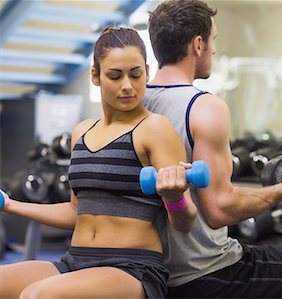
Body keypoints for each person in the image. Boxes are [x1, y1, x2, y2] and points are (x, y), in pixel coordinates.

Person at [144, 1, 282, 298]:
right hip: (205, 272)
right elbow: (219, 210)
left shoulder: (132, 106)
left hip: (151, 274)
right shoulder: (204, 107)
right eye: (213, 40)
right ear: (198, 44)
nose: (214, 50)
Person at [0, 26, 197, 299]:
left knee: (37, 296)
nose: (127, 85)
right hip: (75, 262)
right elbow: (75, 212)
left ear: (147, 73)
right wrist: (9, 204)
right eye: (115, 76)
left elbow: (185, 223)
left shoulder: (154, 128)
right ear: (95, 76)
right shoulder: (81, 132)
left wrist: (175, 198)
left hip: (131, 268)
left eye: (136, 74)